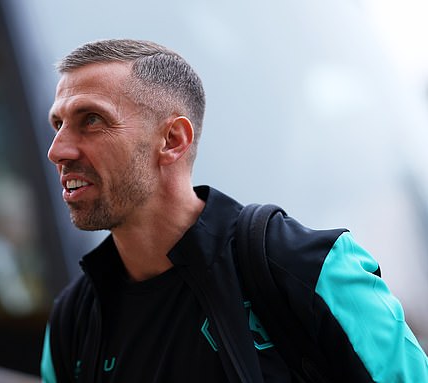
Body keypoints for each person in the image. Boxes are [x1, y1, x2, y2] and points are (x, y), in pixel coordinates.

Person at [40, 39, 428, 382]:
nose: (57, 150)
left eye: (91, 120)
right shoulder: (74, 318)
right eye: (58, 124)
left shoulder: (309, 268)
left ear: (173, 140)